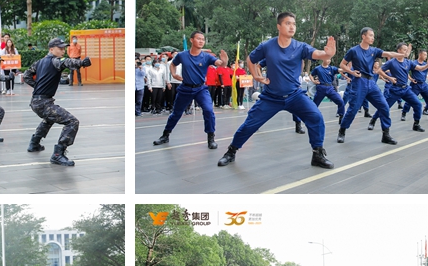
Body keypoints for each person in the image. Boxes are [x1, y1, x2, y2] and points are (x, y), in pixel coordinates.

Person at [218, 13, 336, 169]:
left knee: (316, 117)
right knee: (249, 124)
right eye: (288, 23)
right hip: (271, 97)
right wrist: (256, 76)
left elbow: (319, 54)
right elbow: (250, 60)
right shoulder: (267, 46)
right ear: (279, 26)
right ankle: (231, 151)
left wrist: (328, 53)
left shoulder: (300, 47)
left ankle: (318, 154)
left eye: (294, 23)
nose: (292, 26)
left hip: (295, 96)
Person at [21, 38, 91, 166]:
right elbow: (67, 62)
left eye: (64, 48)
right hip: (43, 103)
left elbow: (26, 75)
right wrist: (82, 63)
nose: (63, 51)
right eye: (60, 48)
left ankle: (34, 143)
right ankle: (58, 154)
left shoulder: (39, 62)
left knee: (50, 118)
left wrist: (37, 87)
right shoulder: (55, 60)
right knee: (72, 122)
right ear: (51, 49)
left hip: (37, 101)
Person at [153, 31, 228, 150]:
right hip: (185, 89)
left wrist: (224, 61)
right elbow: (173, 65)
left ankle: (211, 138)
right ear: (191, 40)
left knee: (209, 111)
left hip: (201, 89)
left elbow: (220, 64)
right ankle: (165, 135)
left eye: (203, 39)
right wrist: (174, 74)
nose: (201, 41)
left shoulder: (207, 56)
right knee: (176, 113)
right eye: (198, 39)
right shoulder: (182, 55)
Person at [336, 28, 403, 145]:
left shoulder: (374, 50)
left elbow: (389, 53)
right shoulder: (353, 50)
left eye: (373, 36)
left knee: (384, 106)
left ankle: (386, 135)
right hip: (359, 82)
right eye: (370, 35)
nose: (373, 38)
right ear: (363, 36)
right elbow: (342, 64)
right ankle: (342, 130)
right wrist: (351, 72)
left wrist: (403, 54)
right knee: (353, 109)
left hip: (371, 82)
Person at [368, 44, 428, 134]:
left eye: (407, 50)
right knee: (385, 107)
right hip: (395, 90)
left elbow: (420, 68)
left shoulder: (408, 62)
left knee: (418, 104)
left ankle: (416, 124)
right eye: (404, 49)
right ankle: (373, 120)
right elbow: (379, 71)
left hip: (406, 89)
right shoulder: (391, 62)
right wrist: (389, 78)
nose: (406, 51)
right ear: (399, 50)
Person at [400, 49, 428, 122]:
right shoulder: (413, 63)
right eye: (424, 55)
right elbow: (405, 71)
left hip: (424, 84)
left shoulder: (426, 64)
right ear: (420, 55)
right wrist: (411, 78)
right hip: (415, 85)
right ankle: (404, 113)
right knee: (410, 100)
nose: (426, 56)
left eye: (426, 55)